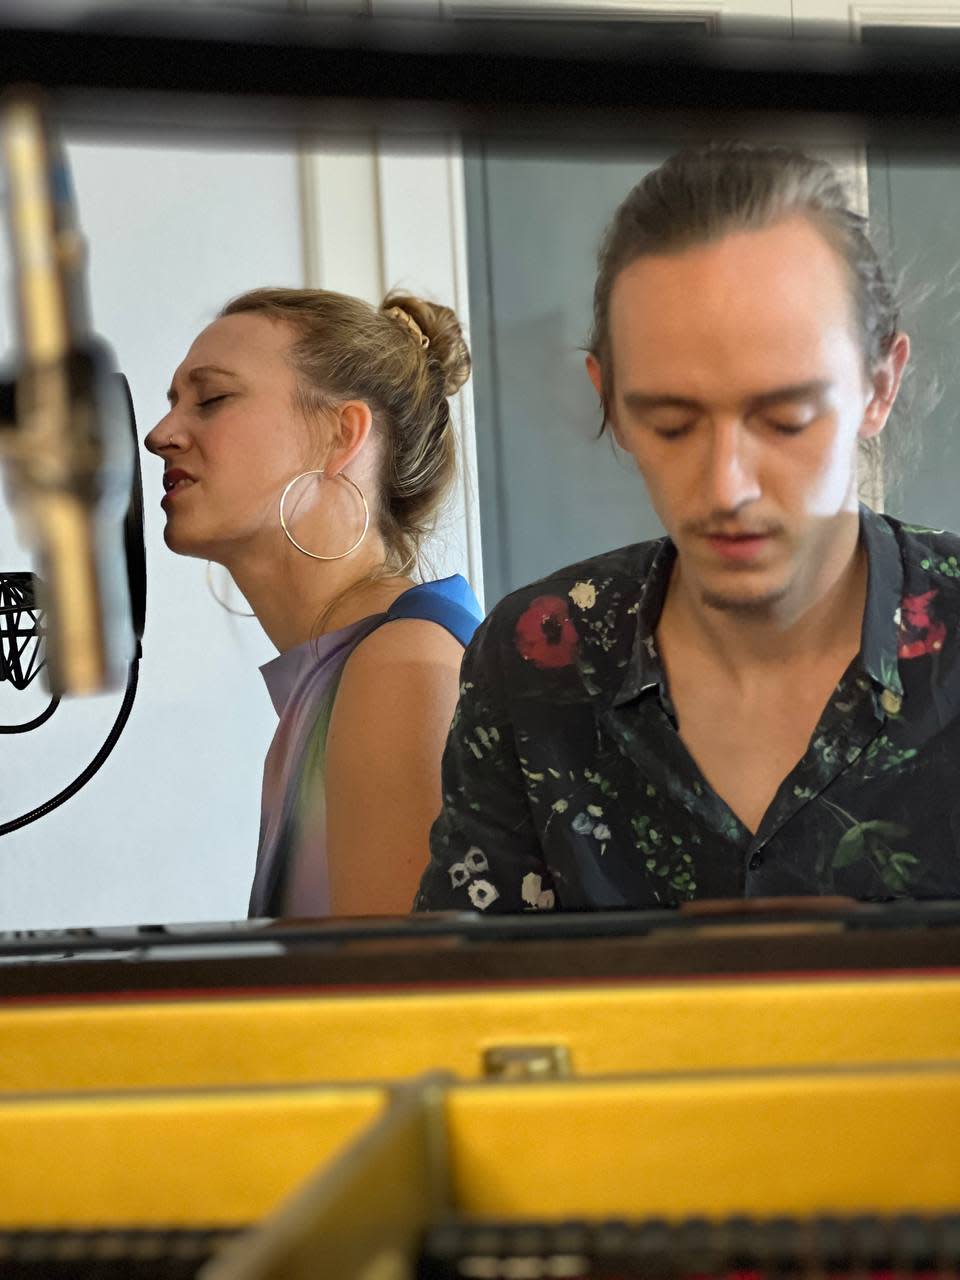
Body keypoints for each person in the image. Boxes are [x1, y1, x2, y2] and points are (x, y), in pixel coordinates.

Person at [416, 141, 960, 913]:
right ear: (610, 401)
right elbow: (467, 979)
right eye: (671, 424)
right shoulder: (536, 660)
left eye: (785, 418)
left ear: (880, 386)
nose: (726, 486)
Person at [146, 287, 483, 917]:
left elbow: (398, 979)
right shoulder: (340, 675)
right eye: (173, 404)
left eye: (212, 399)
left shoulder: (401, 667)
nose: (160, 435)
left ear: (340, 433)